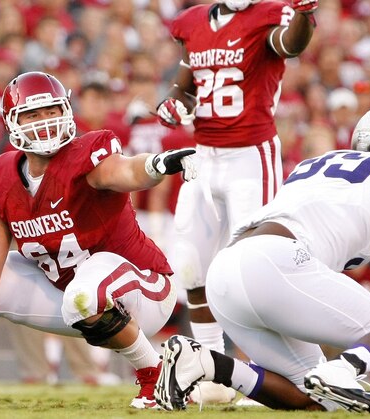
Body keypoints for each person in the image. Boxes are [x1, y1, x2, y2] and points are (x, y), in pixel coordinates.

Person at [0, 71, 196, 409]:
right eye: (32, 114)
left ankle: (156, 374)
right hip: (72, 300)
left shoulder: (86, 155)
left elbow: (123, 171)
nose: (45, 121)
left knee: (85, 292)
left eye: (51, 111)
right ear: (11, 122)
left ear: (65, 111)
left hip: (143, 289)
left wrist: (155, 165)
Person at [154, 105, 370, 413]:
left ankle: (205, 363)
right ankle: (344, 367)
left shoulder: (318, 162)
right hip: (276, 262)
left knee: (318, 400)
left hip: (227, 270)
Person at [156, 0, 317, 402]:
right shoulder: (193, 21)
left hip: (250, 155)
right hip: (203, 156)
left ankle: (264, 369)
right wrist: (175, 102)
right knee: (192, 267)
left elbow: (289, 45)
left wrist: (302, 14)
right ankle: (211, 369)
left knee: (252, 271)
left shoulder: (270, 14)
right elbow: (187, 79)